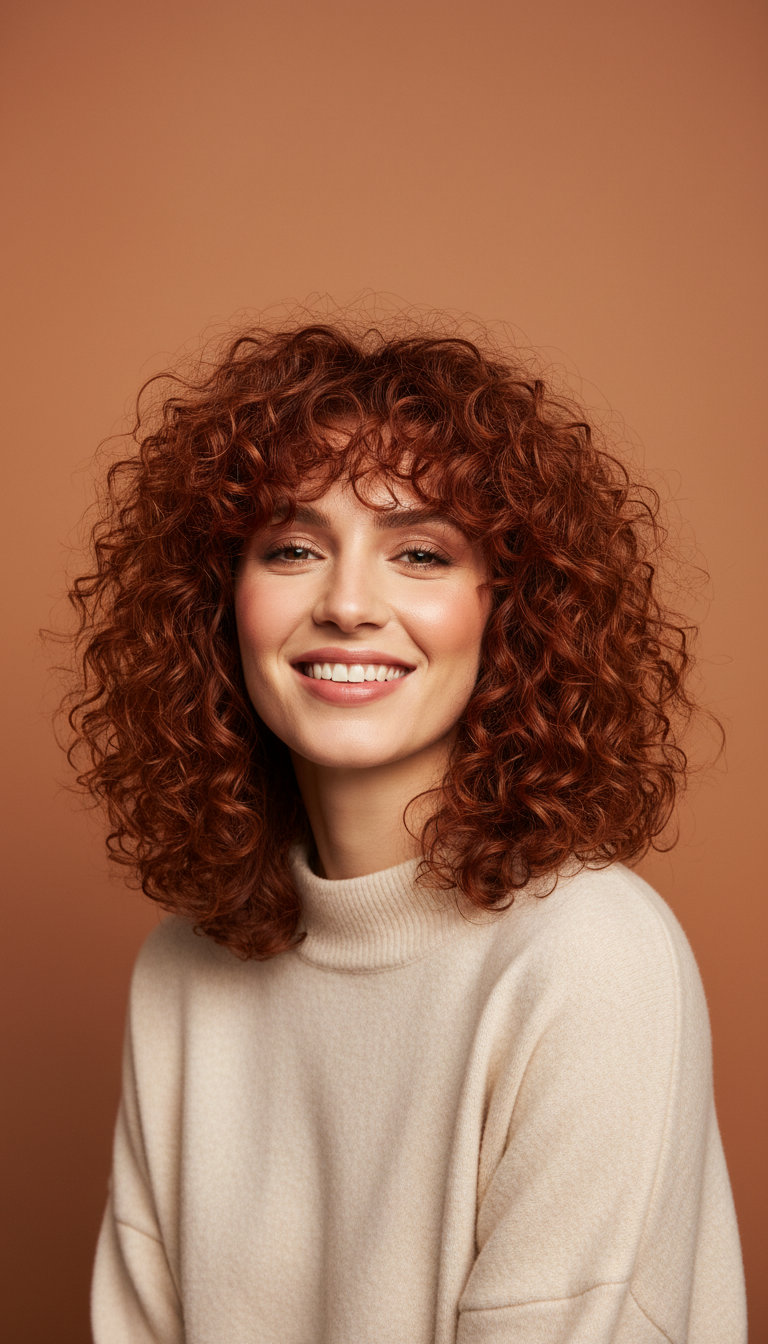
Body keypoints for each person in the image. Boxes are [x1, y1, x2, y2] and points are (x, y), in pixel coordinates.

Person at [66, 316, 747, 1342]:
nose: (347, 603)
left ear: (509, 613)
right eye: (292, 548)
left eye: (420, 553)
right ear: (218, 606)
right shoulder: (183, 970)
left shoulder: (589, 959)